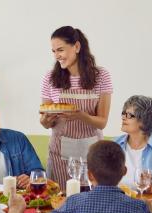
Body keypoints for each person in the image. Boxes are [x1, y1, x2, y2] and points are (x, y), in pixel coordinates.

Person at [39, 26, 113, 191]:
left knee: (93, 203)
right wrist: (45, 120)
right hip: (59, 154)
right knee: (60, 202)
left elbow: (102, 122)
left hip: (93, 154)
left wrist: (80, 115)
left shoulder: (101, 76)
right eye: (53, 51)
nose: (56, 55)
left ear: (77, 47)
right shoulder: (50, 78)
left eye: (60, 50)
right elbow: (45, 121)